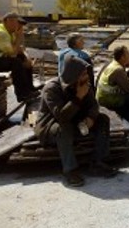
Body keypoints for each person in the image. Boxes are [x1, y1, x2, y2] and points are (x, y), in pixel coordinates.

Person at [34, 55, 117, 187]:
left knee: (102, 120)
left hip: (76, 121)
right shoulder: (52, 88)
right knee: (64, 127)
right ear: (73, 74)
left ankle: (98, 161)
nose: (86, 77)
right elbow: (61, 116)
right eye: (83, 74)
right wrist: (78, 97)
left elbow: (94, 105)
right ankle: (70, 170)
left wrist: (91, 117)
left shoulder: (85, 85)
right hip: (51, 126)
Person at [96, 46, 129, 130]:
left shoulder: (112, 64)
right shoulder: (118, 69)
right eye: (128, 55)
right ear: (122, 57)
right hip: (109, 100)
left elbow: (122, 81)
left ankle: (127, 115)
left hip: (102, 97)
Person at [0, 12, 38, 102]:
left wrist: (27, 58)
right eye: (17, 23)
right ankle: (22, 95)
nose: (19, 27)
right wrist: (19, 37)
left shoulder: (10, 32)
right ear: (8, 21)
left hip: (1, 57)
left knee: (21, 59)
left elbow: (19, 49)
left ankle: (29, 88)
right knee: (16, 62)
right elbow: (13, 54)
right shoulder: (1, 33)